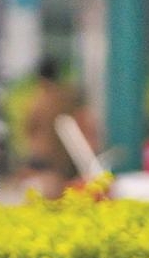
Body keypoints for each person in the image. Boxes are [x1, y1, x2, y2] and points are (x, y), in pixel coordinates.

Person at [20, 56, 94, 198]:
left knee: (48, 200)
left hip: (45, 159)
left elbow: (28, 129)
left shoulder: (36, 102)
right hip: (67, 158)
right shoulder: (68, 97)